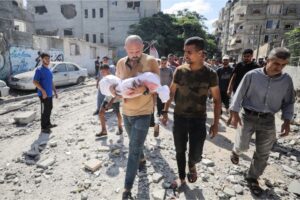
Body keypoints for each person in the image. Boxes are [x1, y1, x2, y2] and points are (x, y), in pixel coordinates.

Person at [229, 47, 295, 196]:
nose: (279, 67)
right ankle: (236, 151)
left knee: (263, 152)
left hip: (268, 120)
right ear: (267, 60)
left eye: (283, 65)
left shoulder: (286, 80)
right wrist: (234, 112)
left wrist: (286, 121)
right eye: (276, 63)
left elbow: (289, 101)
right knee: (242, 146)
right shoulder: (252, 75)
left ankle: (252, 177)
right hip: (247, 116)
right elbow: (239, 93)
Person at [162, 36, 221, 187]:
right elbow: (171, 92)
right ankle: (182, 178)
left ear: (201, 53)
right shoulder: (179, 71)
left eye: (189, 52)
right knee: (179, 150)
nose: (185, 55)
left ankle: (192, 164)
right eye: (184, 52)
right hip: (180, 117)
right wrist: (165, 111)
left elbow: (217, 99)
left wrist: (215, 123)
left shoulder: (210, 74)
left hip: (198, 120)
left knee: (196, 153)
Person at [113, 35, 159, 200]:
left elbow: (156, 85)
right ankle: (142, 160)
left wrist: (144, 90)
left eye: (137, 51)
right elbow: (118, 85)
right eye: (131, 51)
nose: (134, 54)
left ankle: (127, 188)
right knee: (136, 145)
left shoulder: (151, 61)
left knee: (132, 149)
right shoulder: (120, 63)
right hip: (127, 112)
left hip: (143, 112)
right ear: (125, 49)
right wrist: (114, 91)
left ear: (143, 48)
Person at [226, 49, 259, 125]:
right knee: (233, 104)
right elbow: (233, 77)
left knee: (245, 107)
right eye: (244, 56)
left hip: (249, 91)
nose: (246, 58)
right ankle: (231, 117)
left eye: (248, 56)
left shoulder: (256, 67)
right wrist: (229, 88)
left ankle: (240, 120)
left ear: (251, 56)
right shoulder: (239, 65)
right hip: (236, 89)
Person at [33, 52, 58, 134]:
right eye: (46, 58)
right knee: (44, 111)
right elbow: (35, 82)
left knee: (49, 109)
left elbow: (51, 81)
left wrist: (55, 91)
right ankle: (43, 128)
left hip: (50, 94)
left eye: (48, 58)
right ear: (42, 59)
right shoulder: (39, 70)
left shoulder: (49, 69)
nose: (48, 60)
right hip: (43, 95)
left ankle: (48, 124)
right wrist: (43, 91)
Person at [96, 64, 123, 137]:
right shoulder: (105, 78)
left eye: (103, 71)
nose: (102, 73)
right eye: (101, 72)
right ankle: (104, 130)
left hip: (115, 98)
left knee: (117, 113)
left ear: (108, 70)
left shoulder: (114, 79)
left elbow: (116, 92)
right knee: (101, 113)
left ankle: (120, 128)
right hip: (107, 97)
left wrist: (110, 103)